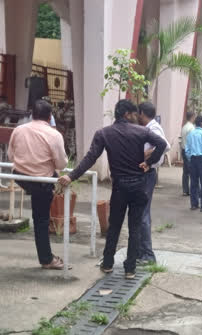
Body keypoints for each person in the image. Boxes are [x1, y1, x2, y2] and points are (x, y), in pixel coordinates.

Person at [59, 99, 167, 278]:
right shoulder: (142, 131)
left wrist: (71, 176)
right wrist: (148, 162)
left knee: (114, 226)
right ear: (127, 114)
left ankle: (108, 263)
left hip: (119, 187)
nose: (136, 118)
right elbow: (162, 144)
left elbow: (90, 158)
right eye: (134, 114)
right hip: (139, 186)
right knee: (135, 228)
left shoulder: (104, 133)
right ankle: (130, 269)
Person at [7, 100, 69, 270]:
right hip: (42, 181)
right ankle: (46, 259)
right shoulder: (54, 135)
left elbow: (10, 156)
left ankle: (47, 256)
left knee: (41, 209)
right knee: (41, 218)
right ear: (50, 117)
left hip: (20, 176)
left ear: (31, 114)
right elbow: (61, 163)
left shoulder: (18, 130)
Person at [137, 102, 169, 265]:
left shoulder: (153, 128)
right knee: (140, 213)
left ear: (142, 113)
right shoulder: (151, 126)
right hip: (147, 173)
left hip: (147, 173)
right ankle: (140, 251)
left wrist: (145, 156)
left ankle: (147, 254)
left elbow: (165, 146)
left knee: (143, 214)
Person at [185, 115, 202, 212]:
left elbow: (187, 150)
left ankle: (194, 204)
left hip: (193, 159)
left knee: (194, 182)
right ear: (201, 123)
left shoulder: (190, 134)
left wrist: (190, 158)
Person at [180, 110, 196, 196]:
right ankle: (193, 190)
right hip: (189, 151)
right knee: (192, 172)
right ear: (192, 117)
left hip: (183, 149)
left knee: (185, 172)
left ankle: (185, 190)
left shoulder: (184, 127)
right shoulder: (192, 128)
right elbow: (192, 142)